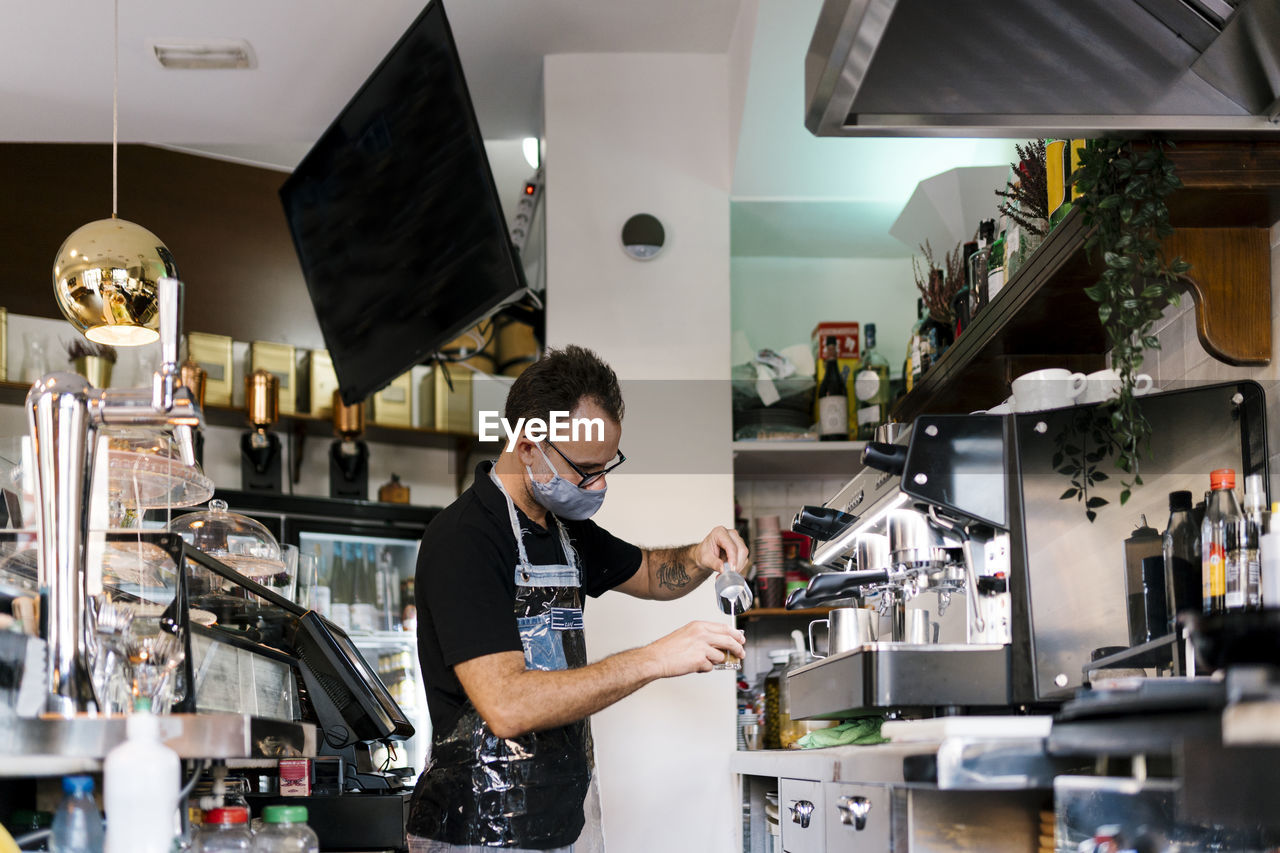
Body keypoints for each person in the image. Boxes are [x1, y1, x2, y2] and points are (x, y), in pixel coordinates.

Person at [407, 344, 748, 853]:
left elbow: (653, 573)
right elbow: (505, 706)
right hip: (476, 832)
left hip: (561, 824)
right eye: (586, 469)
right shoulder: (465, 539)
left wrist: (700, 554)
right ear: (527, 446)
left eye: (607, 466)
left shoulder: (565, 531)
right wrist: (655, 658)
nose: (599, 483)